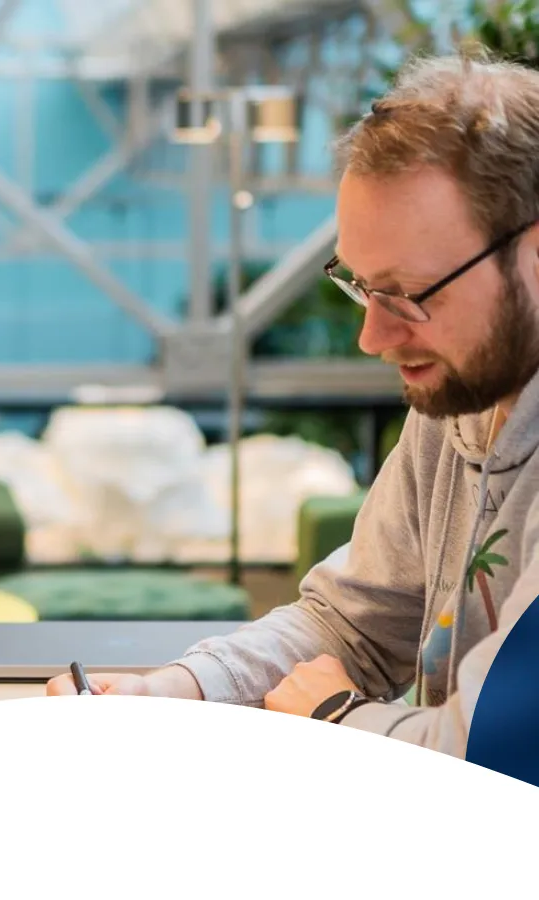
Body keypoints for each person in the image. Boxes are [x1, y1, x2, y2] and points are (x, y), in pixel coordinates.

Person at [49, 52, 539, 759]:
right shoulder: (468, 391)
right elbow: (353, 624)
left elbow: (496, 755)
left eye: (408, 295)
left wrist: (336, 715)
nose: (374, 336)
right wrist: (174, 693)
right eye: (362, 287)